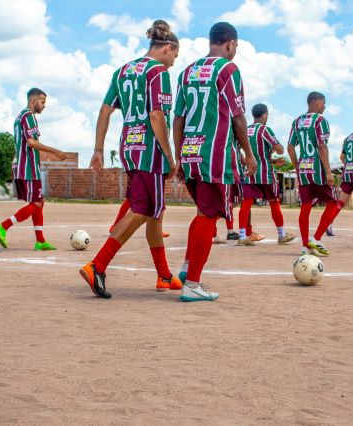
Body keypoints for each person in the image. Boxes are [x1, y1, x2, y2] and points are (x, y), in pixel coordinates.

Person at [79, 20, 182, 298]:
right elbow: (157, 116)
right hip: (150, 150)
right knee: (142, 209)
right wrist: (171, 156)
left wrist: (98, 149)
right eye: (175, 56)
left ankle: (163, 275)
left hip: (129, 146)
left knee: (155, 214)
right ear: (167, 48)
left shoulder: (122, 71)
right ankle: (97, 266)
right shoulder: (158, 72)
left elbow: (104, 111)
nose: (173, 62)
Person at [174, 22, 257, 302]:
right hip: (215, 156)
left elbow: (178, 118)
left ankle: (187, 269)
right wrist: (248, 153)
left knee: (202, 213)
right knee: (209, 218)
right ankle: (193, 284)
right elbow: (238, 117)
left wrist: (178, 154)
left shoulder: (186, 72)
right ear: (231, 44)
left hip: (190, 153)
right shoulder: (228, 69)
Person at [0, 88, 67, 250]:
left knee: (39, 201)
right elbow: (32, 142)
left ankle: (40, 241)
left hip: (22, 164)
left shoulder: (20, 116)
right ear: (34, 101)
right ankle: (3, 226)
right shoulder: (29, 116)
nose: (44, 106)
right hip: (28, 166)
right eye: (42, 102)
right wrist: (56, 151)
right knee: (37, 203)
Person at [238, 103, 296, 246]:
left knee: (246, 204)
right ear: (264, 115)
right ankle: (281, 235)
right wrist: (278, 149)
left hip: (250, 173)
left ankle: (241, 236)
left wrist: (246, 161)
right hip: (265, 174)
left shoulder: (245, 130)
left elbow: (236, 149)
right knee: (274, 202)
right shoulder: (264, 130)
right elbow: (280, 149)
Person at [287, 91, 336, 257]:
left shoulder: (297, 121)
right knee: (333, 203)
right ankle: (316, 238)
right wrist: (328, 171)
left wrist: (297, 165)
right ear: (317, 103)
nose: (325, 106)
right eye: (324, 103)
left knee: (305, 207)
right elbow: (322, 147)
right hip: (318, 170)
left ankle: (304, 246)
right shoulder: (320, 121)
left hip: (303, 169)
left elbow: (290, 147)